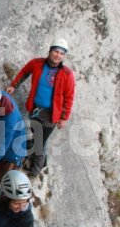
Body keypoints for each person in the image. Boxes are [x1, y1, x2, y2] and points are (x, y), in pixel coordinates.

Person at [6, 39, 76, 177]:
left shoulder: (67, 74)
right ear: (50, 51)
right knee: (35, 135)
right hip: (35, 108)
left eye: (61, 53)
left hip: (51, 115)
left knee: (40, 141)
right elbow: (24, 73)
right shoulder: (37, 64)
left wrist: (64, 117)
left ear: (64, 56)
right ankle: (41, 162)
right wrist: (14, 85)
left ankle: (36, 170)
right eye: (56, 51)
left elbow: (69, 97)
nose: (58, 55)